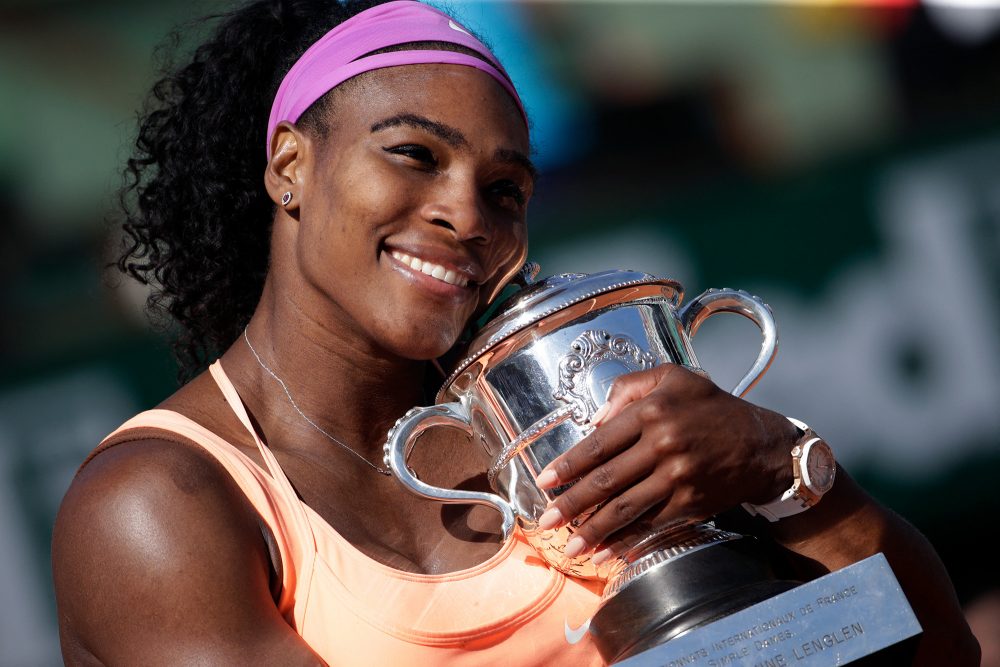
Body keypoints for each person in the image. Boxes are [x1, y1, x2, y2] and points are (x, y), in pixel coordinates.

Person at [50, 1, 979, 665]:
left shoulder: (561, 421)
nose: (467, 215)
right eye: (413, 154)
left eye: (506, 191)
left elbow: (935, 648)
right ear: (290, 164)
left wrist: (784, 470)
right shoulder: (158, 504)